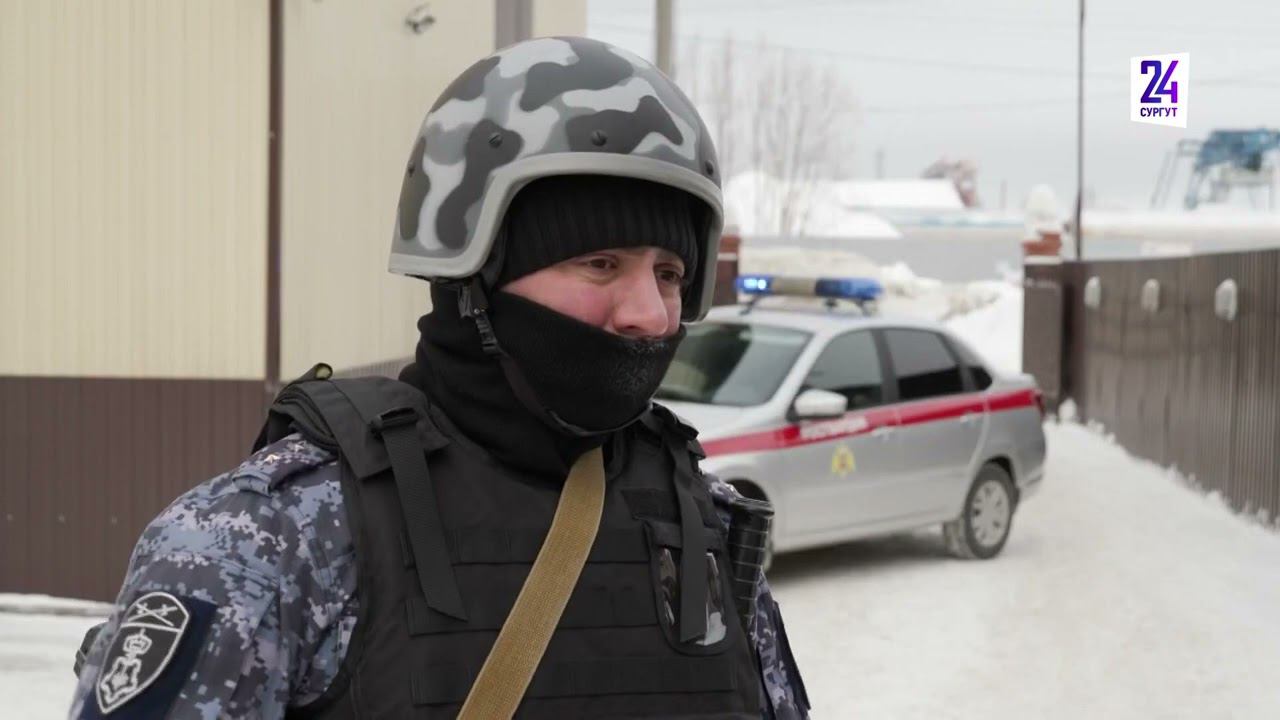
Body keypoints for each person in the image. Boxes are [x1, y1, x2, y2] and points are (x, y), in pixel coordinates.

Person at [69, 36, 810, 719]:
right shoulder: (273, 536)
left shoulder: (703, 523)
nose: (649, 313)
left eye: (670, 273)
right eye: (600, 263)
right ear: (474, 275)